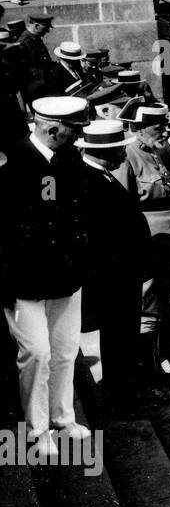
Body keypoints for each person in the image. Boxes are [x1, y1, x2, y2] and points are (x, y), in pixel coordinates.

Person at [0, 97, 92, 459]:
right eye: (73, 130)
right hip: (23, 283)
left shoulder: (68, 160)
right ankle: (38, 430)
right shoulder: (11, 164)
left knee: (66, 350)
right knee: (36, 354)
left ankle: (63, 417)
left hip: (65, 277)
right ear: (52, 128)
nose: (77, 137)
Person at [76, 118, 162, 412]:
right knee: (117, 342)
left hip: (123, 275)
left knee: (123, 339)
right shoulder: (90, 181)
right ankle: (121, 401)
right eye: (118, 150)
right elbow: (101, 237)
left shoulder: (102, 176)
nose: (124, 155)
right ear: (103, 151)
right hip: (113, 279)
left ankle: (127, 394)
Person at [122, 101, 170, 388]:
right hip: (151, 244)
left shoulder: (156, 153)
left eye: (165, 126)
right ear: (140, 130)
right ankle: (149, 370)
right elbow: (126, 207)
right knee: (148, 309)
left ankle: (162, 360)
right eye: (158, 127)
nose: (164, 132)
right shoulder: (129, 156)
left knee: (167, 303)